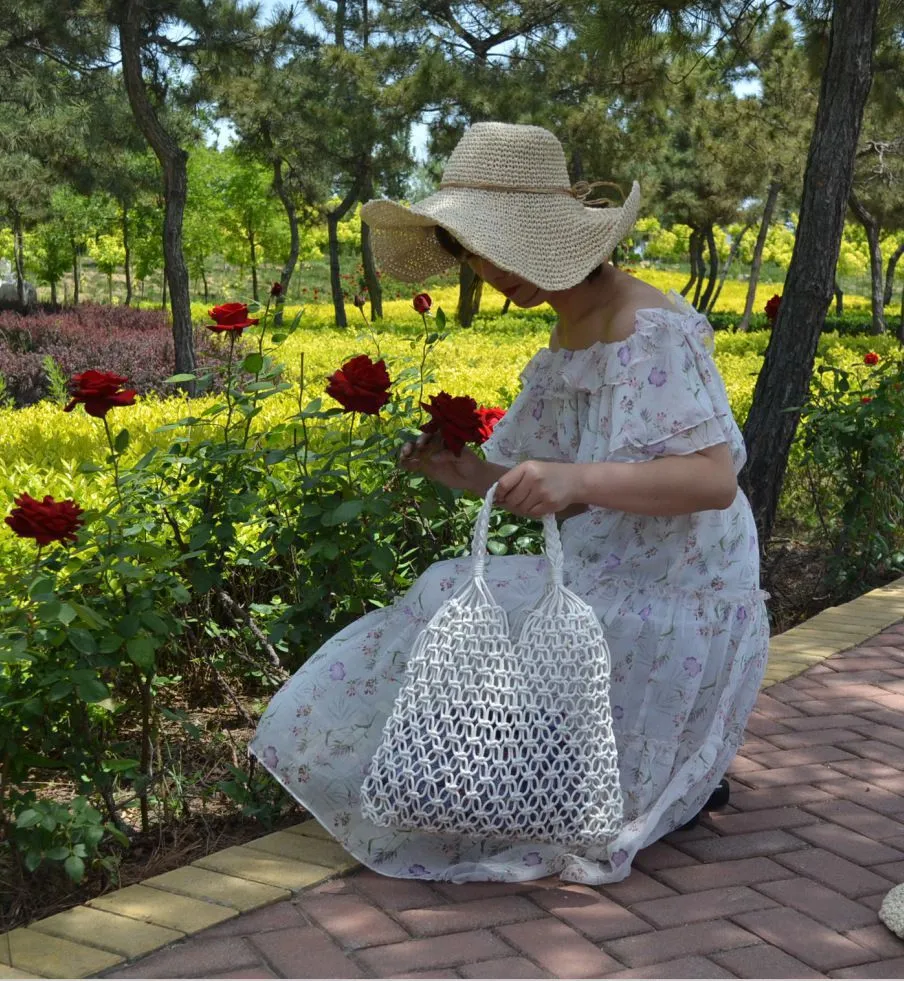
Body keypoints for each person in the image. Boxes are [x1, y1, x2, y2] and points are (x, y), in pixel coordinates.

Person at [250, 122, 769, 885]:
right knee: (447, 589)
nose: (488, 271)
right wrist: (462, 472)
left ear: (551, 235)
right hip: (614, 558)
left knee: (495, 614)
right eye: (470, 251)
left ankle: (651, 777)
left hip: (683, 576)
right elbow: (543, 479)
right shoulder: (565, 339)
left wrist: (577, 482)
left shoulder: (646, 325)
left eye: (496, 245)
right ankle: (446, 785)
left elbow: (711, 479)